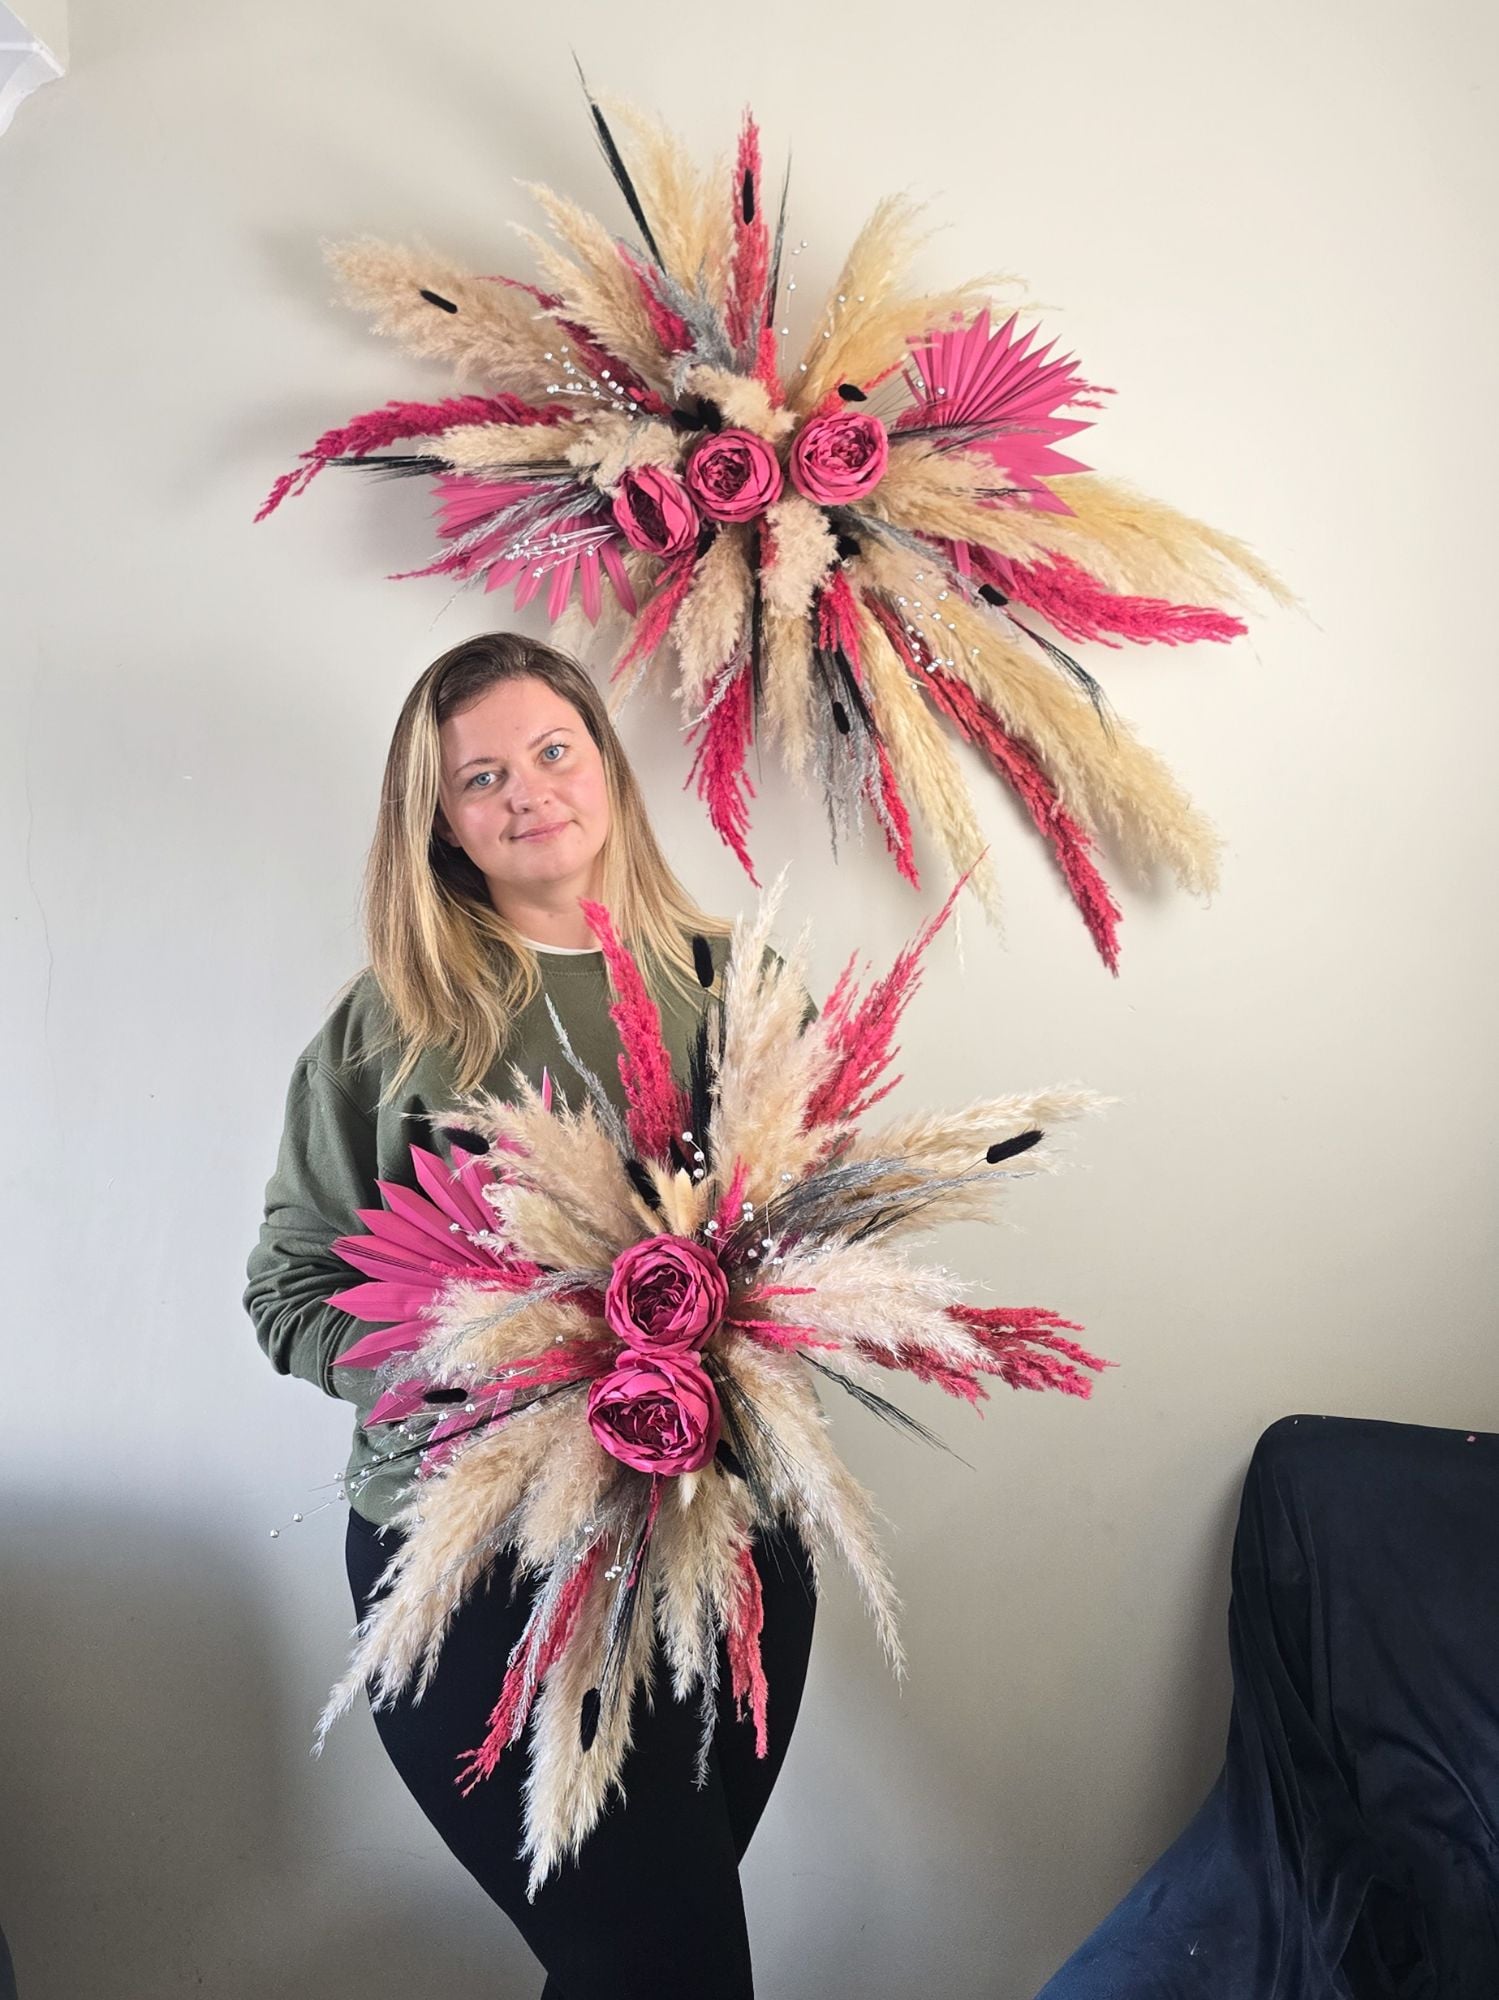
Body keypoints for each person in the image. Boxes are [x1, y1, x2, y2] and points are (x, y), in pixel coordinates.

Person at [244, 631, 817, 1999]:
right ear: (437, 824)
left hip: (719, 1546)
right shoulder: (392, 1025)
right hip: (473, 1566)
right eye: (479, 777)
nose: (528, 792)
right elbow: (288, 1293)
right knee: (670, 1971)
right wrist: (462, 1369)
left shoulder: (742, 983)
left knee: (634, 1966)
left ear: (606, 767)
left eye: (553, 752)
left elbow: (811, 1244)